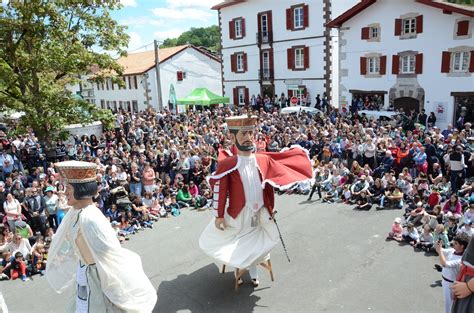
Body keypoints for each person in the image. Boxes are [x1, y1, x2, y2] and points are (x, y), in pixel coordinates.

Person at [199, 114, 312, 287]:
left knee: (263, 238)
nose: (248, 138)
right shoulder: (228, 164)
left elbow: (268, 186)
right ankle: (246, 270)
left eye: (250, 133)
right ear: (232, 137)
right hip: (240, 212)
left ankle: (252, 269)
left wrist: (271, 208)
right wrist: (218, 215)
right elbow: (220, 191)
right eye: (243, 134)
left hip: (260, 210)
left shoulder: (262, 159)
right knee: (244, 242)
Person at [46, 161, 156, 312]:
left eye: (69, 188)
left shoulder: (89, 218)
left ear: (81, 189)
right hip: (85, 275)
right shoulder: (75, 213)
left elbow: (108, 255)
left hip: (99, 280)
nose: (64, 193)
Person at [436, 233, 470, 313]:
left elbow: (444, 264)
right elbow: (440, 250)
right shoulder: (452, 250)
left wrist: (440, 251)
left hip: (451, 284)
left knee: (450, 304)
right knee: (447, 303)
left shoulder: (461, 259)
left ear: (462, 246)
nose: (453, 244)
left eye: (456, 243)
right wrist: (438, 244)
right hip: (445, 281)